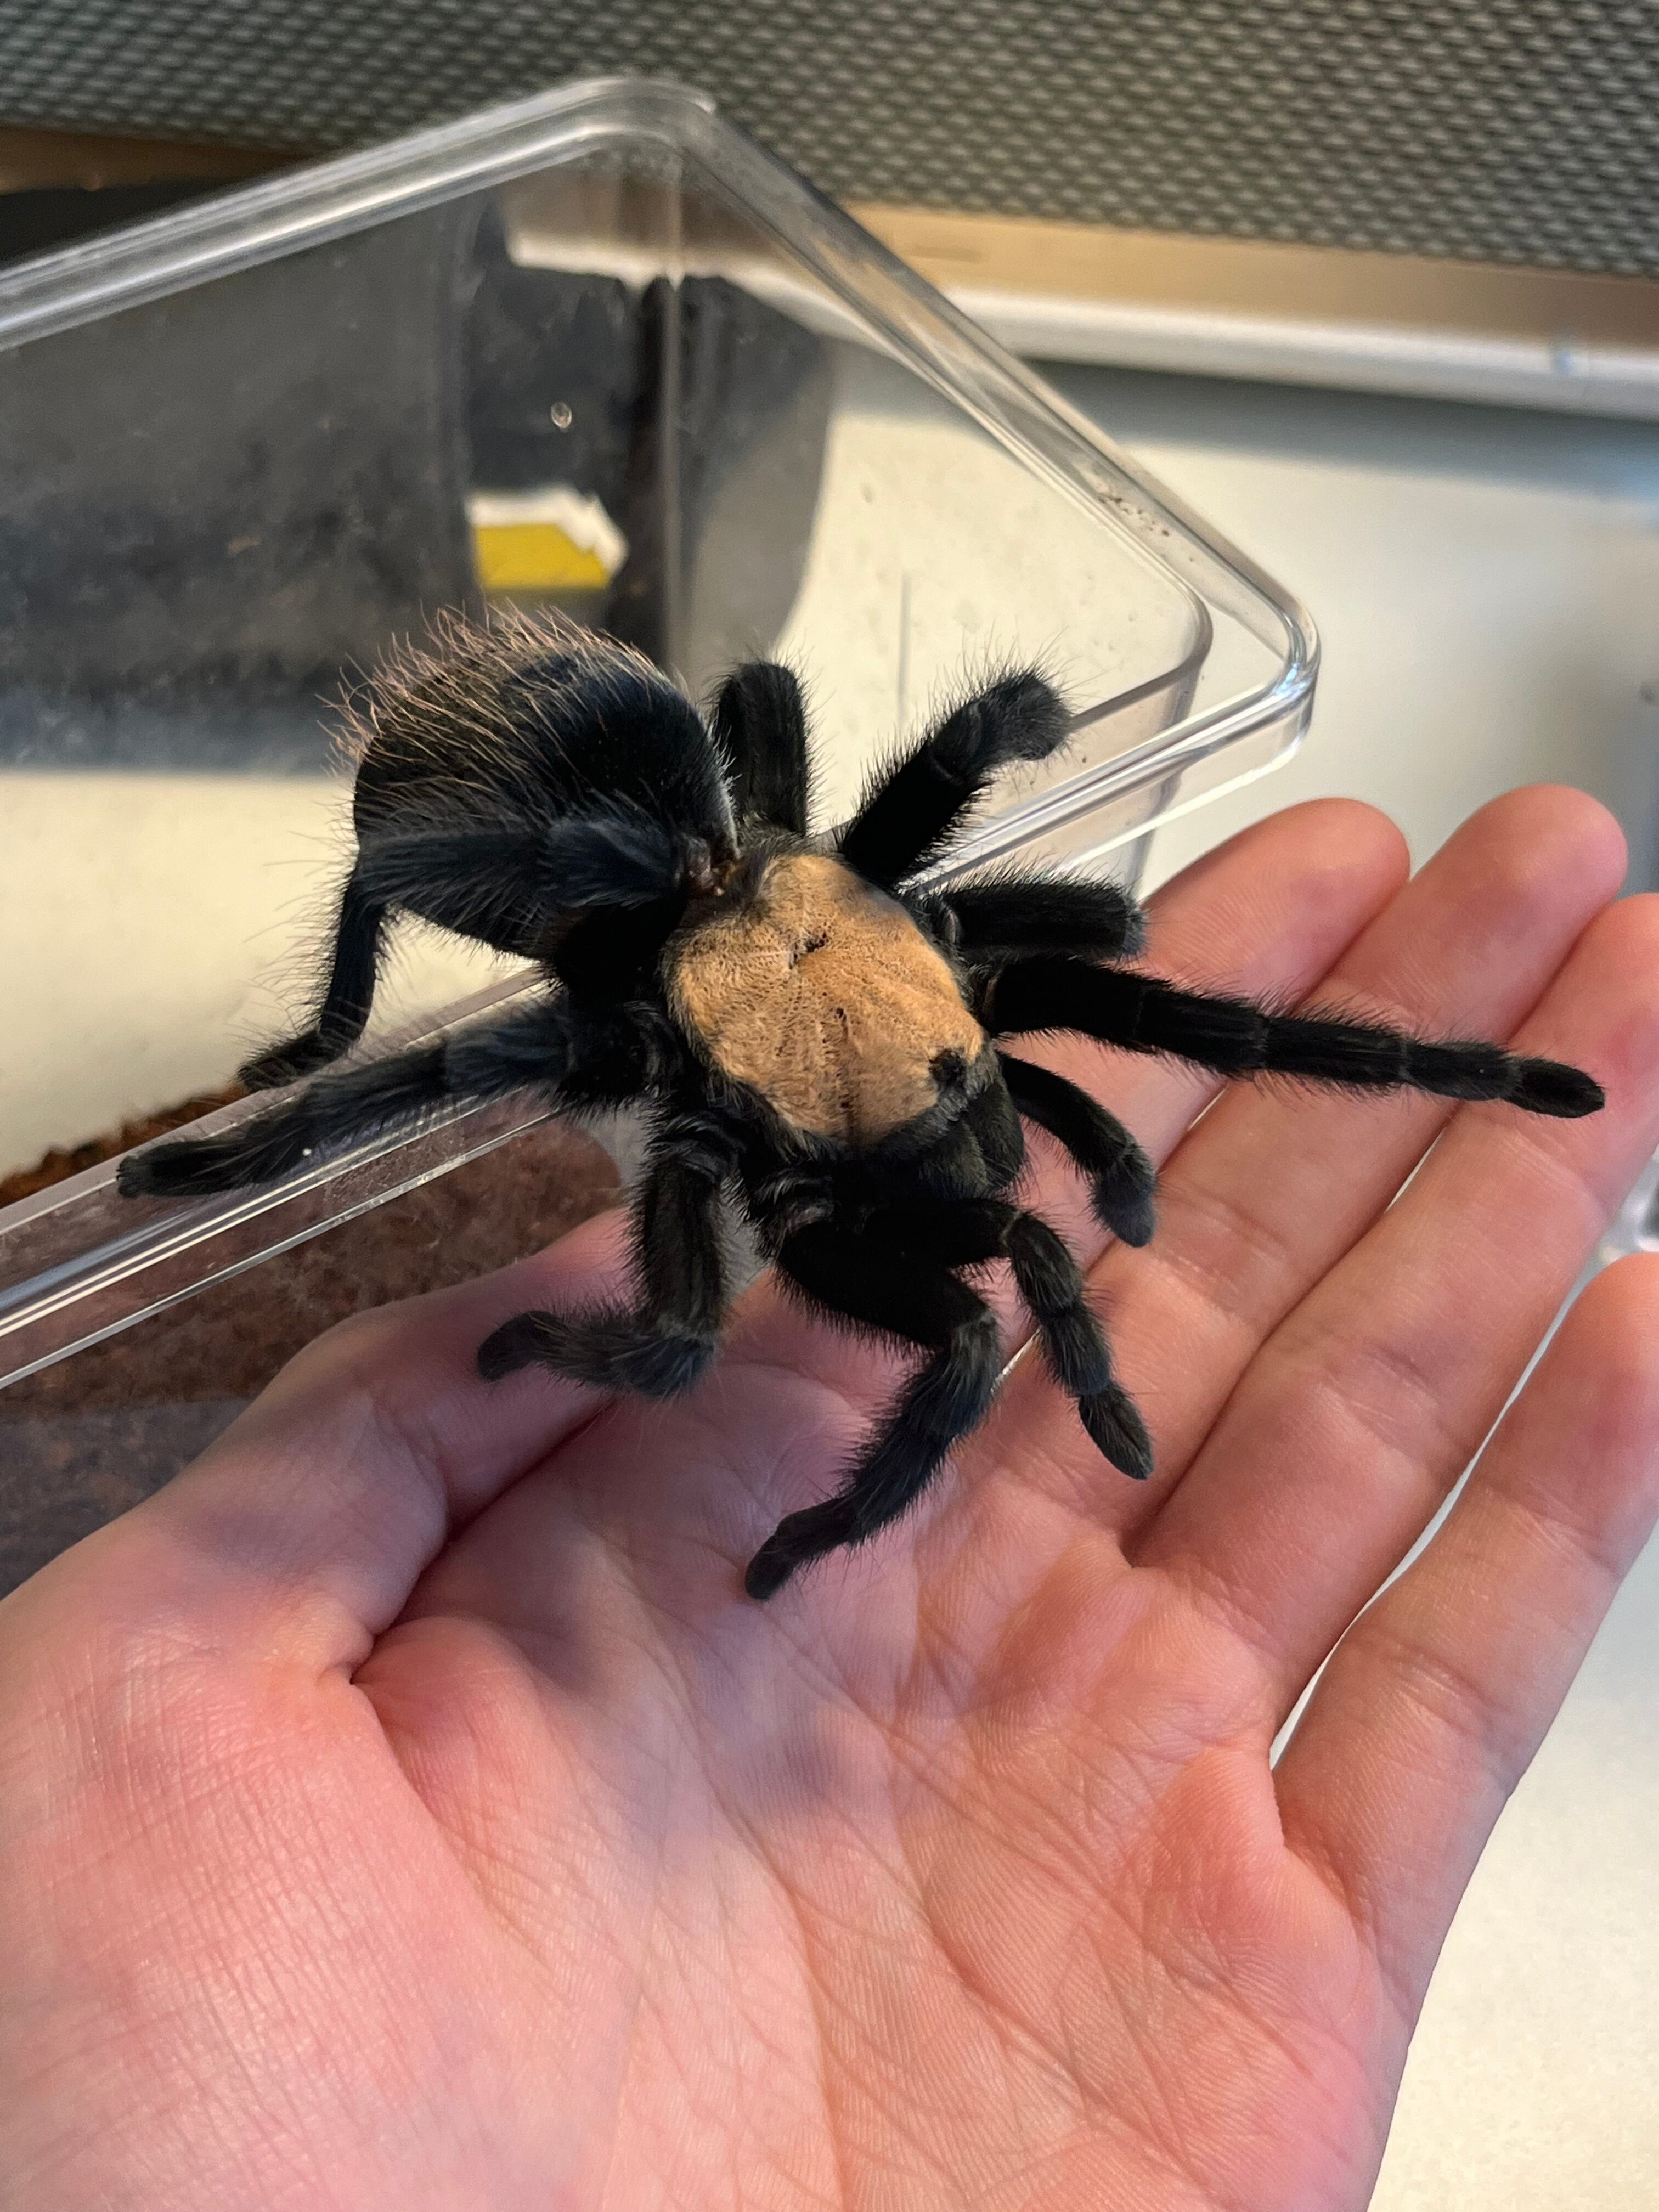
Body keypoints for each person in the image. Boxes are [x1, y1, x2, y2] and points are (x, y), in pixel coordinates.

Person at [4, 787, 1658, 2211]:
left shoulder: (901, 940)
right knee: (700, 1337)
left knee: (1108, 1071)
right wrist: (639, 1393)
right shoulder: (705, 1074)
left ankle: (1485, 1081)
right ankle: (237, 1151)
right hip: (616, 870)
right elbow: (671, 1342)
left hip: (696, 863)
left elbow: (1001, 824)